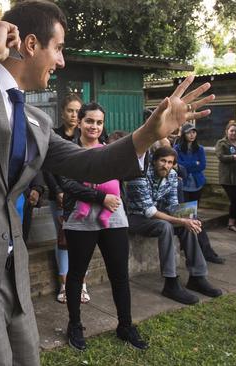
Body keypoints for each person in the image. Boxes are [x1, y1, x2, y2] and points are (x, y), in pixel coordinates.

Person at [0, 1, 214, 364]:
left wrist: (148, 134)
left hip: (13, 274)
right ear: (32, 45)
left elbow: (89, 164)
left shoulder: (35, 119)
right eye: (59, 48)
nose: (63, 61)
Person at [59, 102, 147, 351]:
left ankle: (125, 325)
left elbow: (134, 172)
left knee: (119, 275)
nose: (94, 126)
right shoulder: (69, 151)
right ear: (79, 122)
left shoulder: (110, 151)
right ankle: (74, 325)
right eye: (89, 121)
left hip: (115, 220)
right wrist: (100, 197)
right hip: (80, 221)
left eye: (99, 122)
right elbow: (68, 184)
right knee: (76, 275)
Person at [126, 146, 223, 305]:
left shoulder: (171, 175)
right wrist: (181, 220)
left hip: (157, 214)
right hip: (135, 217)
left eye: (170, 162)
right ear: (154, 161)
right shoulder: (140, 176)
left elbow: (172, 204)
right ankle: (171, 282)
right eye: (162, 161)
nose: (166, 165)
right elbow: (149, 212)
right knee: (166, 226)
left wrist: (188, 217)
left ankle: (197, 277)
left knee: (188, 223)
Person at [41, 93, 89, 304]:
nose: (73, 115)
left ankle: (81, 284)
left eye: (77, 111)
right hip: (59, 196)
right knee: (63, 240)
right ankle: (64, 285)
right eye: (70, 110)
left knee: (82, 240)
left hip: (82, 197)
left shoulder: (86, 135)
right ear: (62, 112)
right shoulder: (53, 135)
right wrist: (58, 191)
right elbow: (48, 167)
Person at [174, 123, 206, 203]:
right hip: (183, 183)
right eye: (188, 133)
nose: (192, 135)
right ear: (183, 134)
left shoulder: (200, 149)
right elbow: (177, 164)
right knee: (184, 209)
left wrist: (185, 165)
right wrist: (195, 163)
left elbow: (202, 165)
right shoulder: (177, 148)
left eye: (193, 132)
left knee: (194, 209)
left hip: (197, 183)